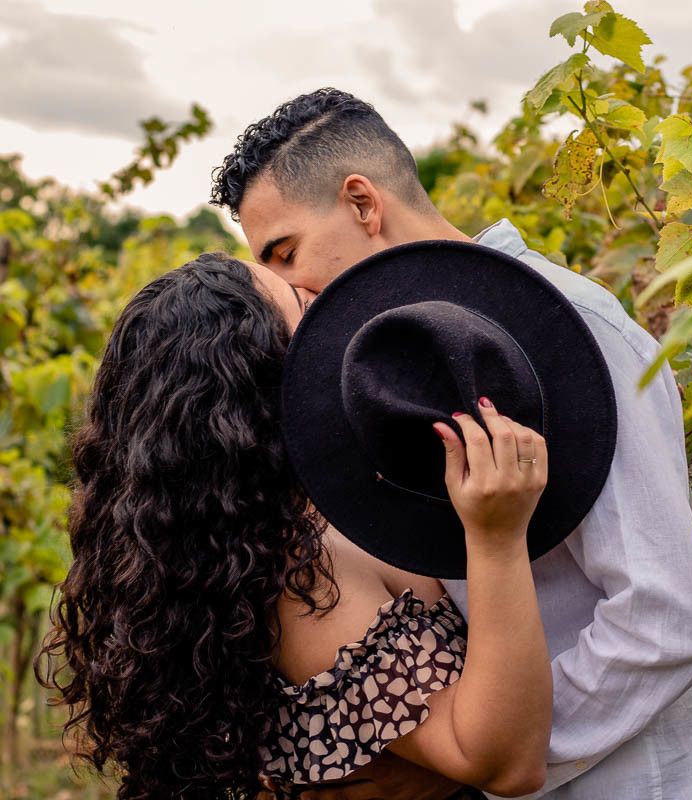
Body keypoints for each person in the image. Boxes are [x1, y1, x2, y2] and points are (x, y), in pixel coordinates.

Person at [209, 87, 692, 800]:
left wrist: (482, 755)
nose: (291, 289)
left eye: (286, 253)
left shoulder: (568, 330)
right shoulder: (397, 365)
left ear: (362, 203)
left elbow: (671, 614)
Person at [34, 252, 553, 799]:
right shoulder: (301, 574)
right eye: (305, 309)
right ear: (261, 377)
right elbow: (505, 763)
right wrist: (497, 539)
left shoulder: (249, 537)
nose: (330, 321)